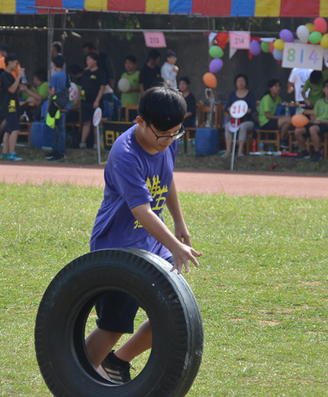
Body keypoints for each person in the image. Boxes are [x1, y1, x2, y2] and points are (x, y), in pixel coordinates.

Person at [86, 82, 202, 384]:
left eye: (175, 132)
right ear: (141, 122)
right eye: (162, 134)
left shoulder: (169, 137)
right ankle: (76, 378)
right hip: (117, 246)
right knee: (113, 325)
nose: (168, 140)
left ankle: (117, 363)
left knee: (174, 315)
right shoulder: (125, 153)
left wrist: (180, 222)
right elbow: (142, 211)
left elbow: (167, 176)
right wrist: (175, 245)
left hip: (151, 241)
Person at [294, 79, 328, 162]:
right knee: (298, 130)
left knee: (313, 129)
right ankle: (304, 151)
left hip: (327, 125)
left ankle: (317, 153)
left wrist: (323, 122)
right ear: (323, 90)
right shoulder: (319, 102)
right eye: (326, 87)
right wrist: (311, 121)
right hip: (317, 123)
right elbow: (314, 116)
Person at [0, 53, 25, 161]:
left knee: (8, 130)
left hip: (12, 105)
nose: (16, 65)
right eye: (15, 63)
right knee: (15, 129)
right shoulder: (4, 75)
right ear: (9, 63)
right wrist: (19, 77)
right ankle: (12, 153)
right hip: (9, 106)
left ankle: (5, 152)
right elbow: (11, 90)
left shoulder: (9, 76)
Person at [223, 74, 256, 157]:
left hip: (247, 120)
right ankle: (228, 150)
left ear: (246, 82)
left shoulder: (250, 94)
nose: (241, 83)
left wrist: (245, 111)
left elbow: (252, 108)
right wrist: (231, 109)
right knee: (227, 126)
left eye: (243, 81)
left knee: (243, 126)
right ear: (235, 83)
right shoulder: (232, 94)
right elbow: (227, 107)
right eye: (239, 81)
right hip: (234, 120)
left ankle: (240, 150)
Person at [44, 55, 70, 161]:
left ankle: (57, 151)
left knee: (57, 129)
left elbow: (53, 92)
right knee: (61, 129)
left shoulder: (54, 76)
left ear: (54, 65)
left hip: (56, 107)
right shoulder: (66, 75)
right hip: (65, 105)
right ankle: (59, 151)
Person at [79, 52, 106, 149]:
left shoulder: (101, 73)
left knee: (96, 123)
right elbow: (81, 86)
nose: (88, 62)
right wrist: (79, 98)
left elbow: (102, 88)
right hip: (85, 101)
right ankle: (83, 142)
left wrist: (97, 101)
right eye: (86, 60)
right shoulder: (86, 73)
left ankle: (97, 143)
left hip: (95, 102)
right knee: (86, 122)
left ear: (95, 61)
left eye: (89, 59)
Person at [258, 79, 292, 150]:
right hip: (266, 122)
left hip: (274, 120)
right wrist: (281, 118)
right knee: (288, 119)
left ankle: (281, 141)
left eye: (279, 86)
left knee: (289, 123)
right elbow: (268, 115)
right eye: (276, 86)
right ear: (270, 88)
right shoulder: (267, 98)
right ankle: (281, 140)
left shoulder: (278, 98)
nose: (278, 88)